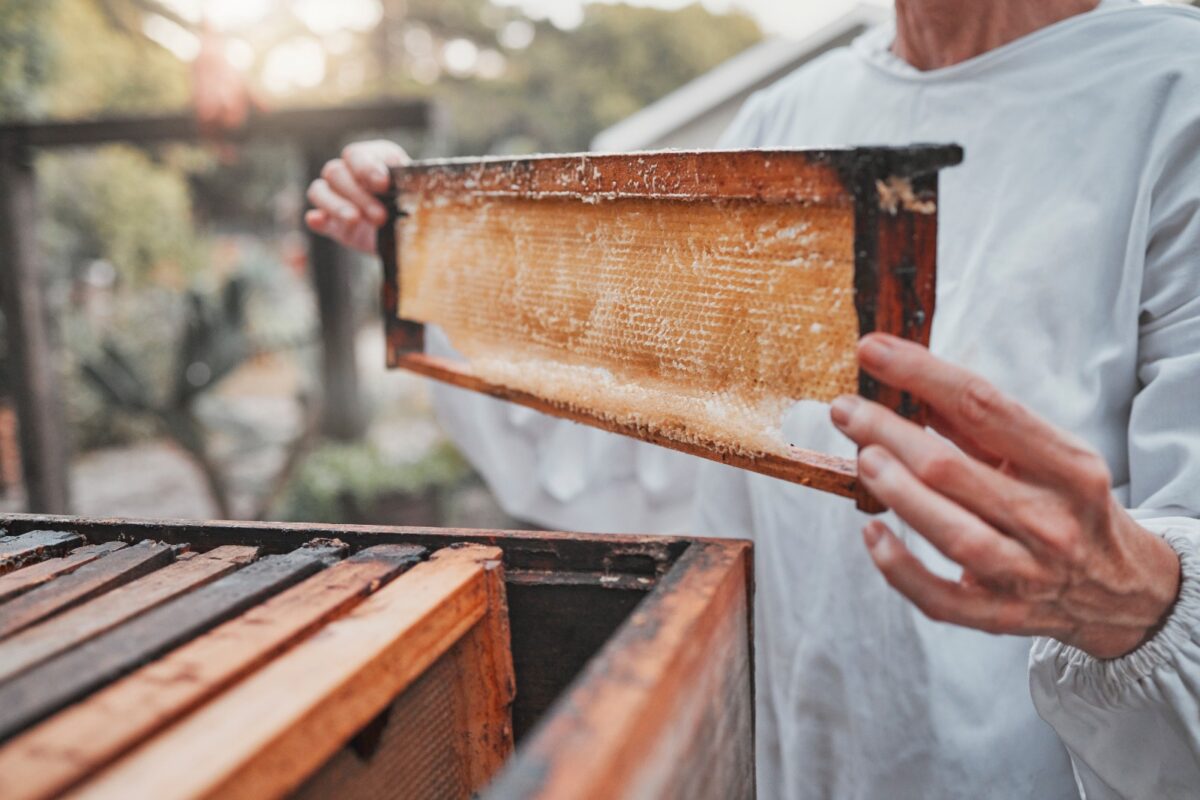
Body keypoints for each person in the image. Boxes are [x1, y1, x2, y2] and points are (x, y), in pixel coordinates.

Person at [306, 1, 1200, 796]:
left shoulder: (1175, 97)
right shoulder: (793, 112)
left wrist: (1141, 597)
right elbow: (665, 433)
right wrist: (425, 249)